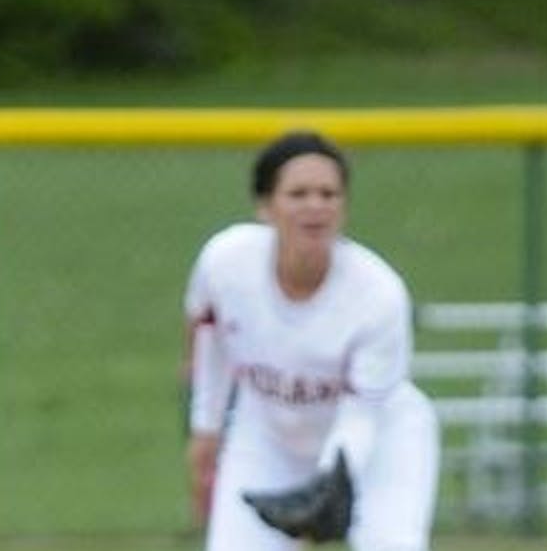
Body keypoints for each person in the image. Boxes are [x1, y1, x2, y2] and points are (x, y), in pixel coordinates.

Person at [183, 130, 440, 551]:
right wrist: (206, 429)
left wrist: (329, 482)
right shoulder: (226, 261)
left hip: (380, 440)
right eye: (298, 193)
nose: (315, 206)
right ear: (265, 206)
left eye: (329, 193)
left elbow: (362, 414)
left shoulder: (377, 293)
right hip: (266, 432)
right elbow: (208, 338)